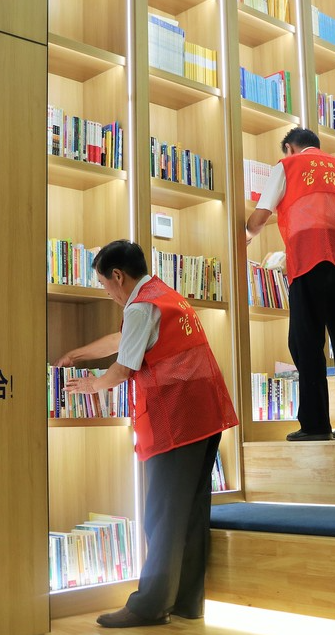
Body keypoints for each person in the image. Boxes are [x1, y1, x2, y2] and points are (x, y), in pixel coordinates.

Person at [54, 240, 239, 629]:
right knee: (190, 511)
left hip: (178, 418)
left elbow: (123, 367)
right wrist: (78, 354)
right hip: (206, 415)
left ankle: (149, 605)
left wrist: (91, 385)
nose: (107, 292)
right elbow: (127, 341)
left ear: (118, 276)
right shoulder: (163, 296)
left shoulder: (140, 306)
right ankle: (186, 602)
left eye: (104, 284)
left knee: (161, 514)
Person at [246, 127, 335, 441]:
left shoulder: (288, 165)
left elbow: (260, 216)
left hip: (311, 259)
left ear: (290, 148)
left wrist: (245, 235)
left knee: (306, 343)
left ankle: (315, 425)